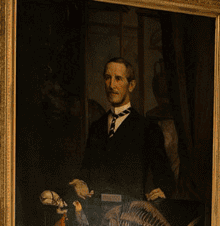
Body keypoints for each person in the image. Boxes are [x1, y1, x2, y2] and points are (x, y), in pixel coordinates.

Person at [69, 58, 175, 205]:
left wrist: (163, 190)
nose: (112, 85)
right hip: (98, 211)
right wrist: (80, 182)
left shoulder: (148, 129)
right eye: (108, 78)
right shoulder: (96, 127)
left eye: (118, 79)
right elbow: (86, 171)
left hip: (130, 215)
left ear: (131, 85)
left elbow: (165, 178)